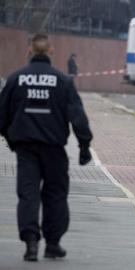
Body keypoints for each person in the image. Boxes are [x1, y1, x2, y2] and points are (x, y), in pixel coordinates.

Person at [0, 33, 93, 261]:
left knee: (28, 194)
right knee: (56, 195)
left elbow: (2, 116)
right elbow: (77, 116)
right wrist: (84, 145)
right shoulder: (62, 81)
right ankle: (53, 243)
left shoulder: (16, 79)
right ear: (51, 51)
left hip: (26, 149)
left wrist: (12, 140)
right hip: (54, 149)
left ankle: (31, 243)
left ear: (29, 51)